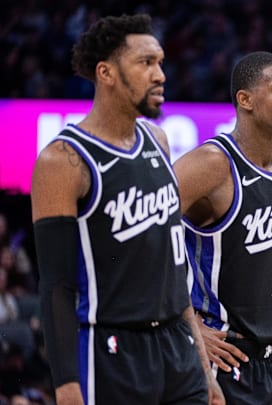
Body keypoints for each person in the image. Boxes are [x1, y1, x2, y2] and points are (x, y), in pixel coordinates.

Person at [30, 14, 223, 405]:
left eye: (161, 62)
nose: (160, 75)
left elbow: (174, 267)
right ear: (106, 73)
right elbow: (56, 286)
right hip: (112, 349)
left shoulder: (158, 140)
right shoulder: (63, 161)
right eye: (146, 63)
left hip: (178, 346)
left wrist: (203, 366)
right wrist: (67, 384)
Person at [173, 51, 272, 404]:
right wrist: (186, 326)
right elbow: (143, 241)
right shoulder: (210, 165)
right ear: (245, 100)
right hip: (220, 360)